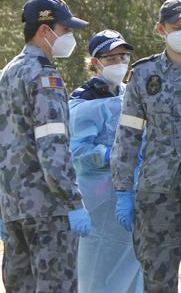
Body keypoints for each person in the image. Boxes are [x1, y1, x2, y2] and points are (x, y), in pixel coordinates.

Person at [111, 0, 181, 292]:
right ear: (161, 30)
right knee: (158, 277)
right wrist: (123, 189)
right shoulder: (143, 74)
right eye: (177, 27)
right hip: (157, 191)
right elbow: (128, 134)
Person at [0, 0, 92, 292]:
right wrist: (73, 202)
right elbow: (53, 147)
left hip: (15, 211)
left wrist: (3, 206)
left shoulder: (6, 76)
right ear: (45, 31)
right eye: (66, 30)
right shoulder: (44, 78)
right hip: (50, 212)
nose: (69, 37)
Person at [68, 30, 143, 293]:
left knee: (132, 265)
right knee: (96, 267)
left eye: (123, 56)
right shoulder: (84, 100)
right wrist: (111, 154)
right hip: (98, 199)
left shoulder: (128, 93)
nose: (119, 63)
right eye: (111, 58)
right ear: (95, 62)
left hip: (128, 194)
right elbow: (77, 152)